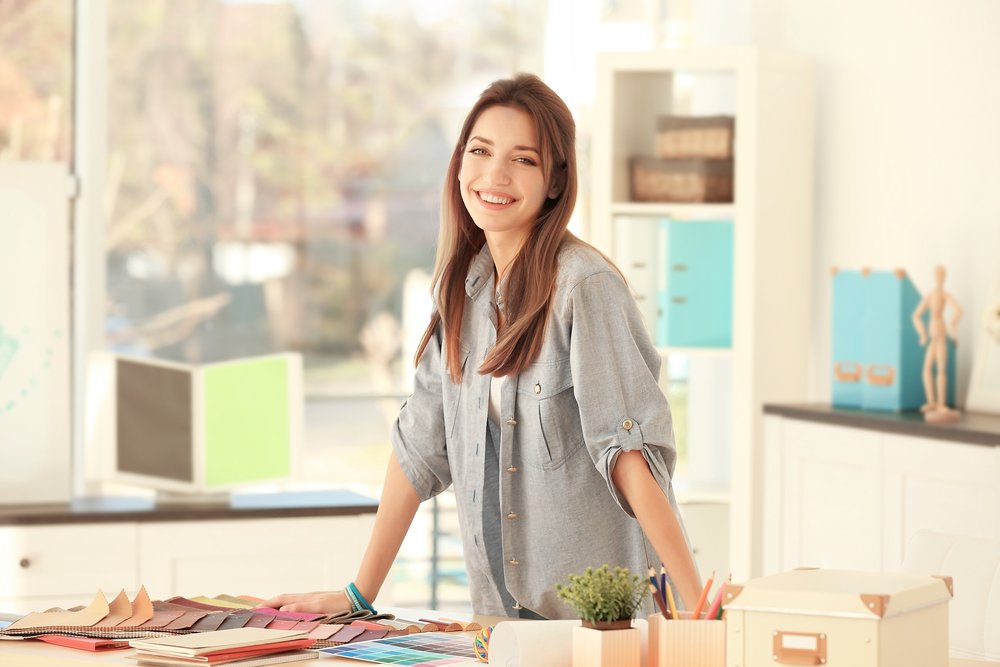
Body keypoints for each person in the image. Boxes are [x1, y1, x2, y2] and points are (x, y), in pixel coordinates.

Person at [262, 73, 701, 619]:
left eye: (523, 159)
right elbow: (419, 445)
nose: (495, 174)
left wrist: (702, 614)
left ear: (556, 182)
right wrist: (358, 595)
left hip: (603, 625)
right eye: (480, 150)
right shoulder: (464, 292)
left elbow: (630, 452)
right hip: (501, 623)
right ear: (460, 162)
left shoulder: (583, 287)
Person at [912, 265, 962, 422]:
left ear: (944, 278)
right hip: (933, 336)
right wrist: (922, 334)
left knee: (940, 369)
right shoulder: (930, 295)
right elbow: (916, 315)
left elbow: (958, 311)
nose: (940, 278)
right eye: (938, 275)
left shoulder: (945, 295)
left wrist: (953, 326)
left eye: (942, 275)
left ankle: (941, 403)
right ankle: (932, 401)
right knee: (927, 368)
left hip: (940, 335)